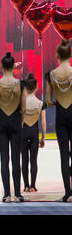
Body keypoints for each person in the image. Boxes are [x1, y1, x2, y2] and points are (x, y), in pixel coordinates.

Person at [0, 52, 26, 203]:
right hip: (16, 120)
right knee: (16, 158)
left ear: (1, 66)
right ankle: (18, 194)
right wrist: (20, 121)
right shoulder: (19, 84)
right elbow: (23, 108)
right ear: (13, 66)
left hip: (2, 121)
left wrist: (3, 114)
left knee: (4, 159)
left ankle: (6, 195)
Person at [45, 39, 72, 203]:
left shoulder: (51, 75)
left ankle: (68, 193)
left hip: (61, 115)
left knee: (63, 156)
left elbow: (48, 100)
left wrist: (58, 102)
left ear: (57, 56)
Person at [22, 73, 46, 193]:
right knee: (33, 160)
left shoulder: (22, 103)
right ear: (36, 87)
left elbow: (19, 120)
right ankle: (33, 186)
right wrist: (43, 138)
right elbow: (43, 122)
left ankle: (26, 185)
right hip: (34, 133)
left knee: (24, 160)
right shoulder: (41, 103)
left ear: (25, 88)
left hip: (23, 132)